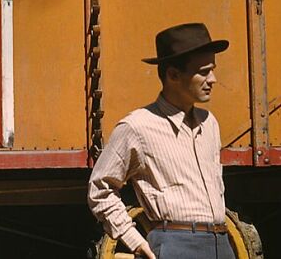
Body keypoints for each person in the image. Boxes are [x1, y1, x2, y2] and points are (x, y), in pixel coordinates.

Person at [88, 23, 235, 259]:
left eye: (213, 69)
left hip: (222, 243)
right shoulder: (137, 127)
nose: (213, 79)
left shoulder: (210, 123)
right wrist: (134, 240)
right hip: (175, 245)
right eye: (204, 71)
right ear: (173, 75)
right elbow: (100, 189)